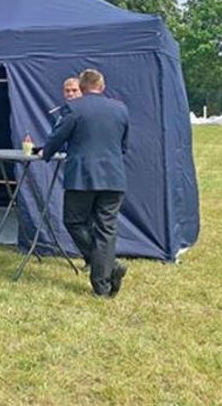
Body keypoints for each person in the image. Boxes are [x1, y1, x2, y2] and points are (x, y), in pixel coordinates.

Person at [41, 68, 129, 298]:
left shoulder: (74, 108)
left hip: (82, 177)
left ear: (81, 86)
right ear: (102, 85)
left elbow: (58, 137)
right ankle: (105, 277)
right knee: (107, 229)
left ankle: (104, 274)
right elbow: (124, 146)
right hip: (114, 177)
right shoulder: (120, 109)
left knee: (73, 221)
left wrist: (45, 153)